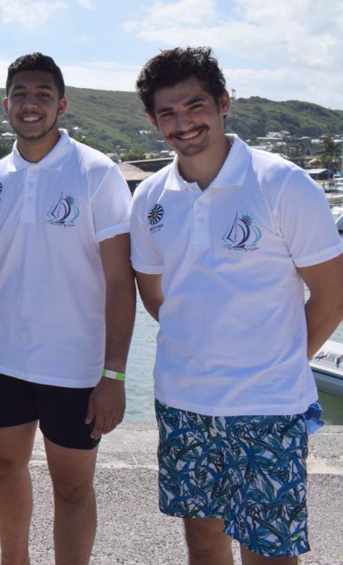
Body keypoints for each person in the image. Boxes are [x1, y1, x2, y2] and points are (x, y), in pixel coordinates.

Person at [131, 47, 343, 564]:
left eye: (195, 105)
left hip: (268, 406)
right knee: (203, 539)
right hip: (183, 402)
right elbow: (157, 295)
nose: (183, 123)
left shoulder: (282, 183)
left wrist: (282, 359)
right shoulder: (150, 199)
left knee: (268, 549)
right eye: (167, 113)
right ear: (154, 121)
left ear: (224, 102)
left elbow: (332, 294)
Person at [0, 53, 135, 565]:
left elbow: (119, 281)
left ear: (61, 104)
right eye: (20, 93)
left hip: (76, 368)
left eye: (42, 94)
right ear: (6, 104)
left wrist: (115, 374)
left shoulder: (96, 173)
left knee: (73, 490)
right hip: (4, 361)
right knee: (3, 472)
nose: (30, 103)